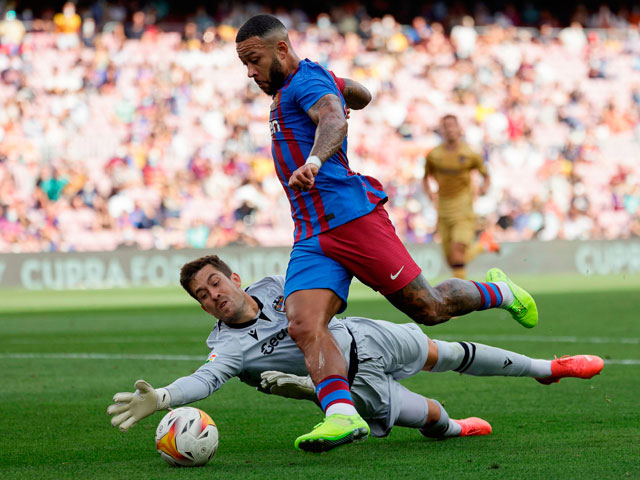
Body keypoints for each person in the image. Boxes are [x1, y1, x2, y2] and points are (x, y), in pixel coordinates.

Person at [234, 14, 538, 452]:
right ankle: (341, 414)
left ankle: (500, 292)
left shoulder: (304, 82)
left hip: (352, 220)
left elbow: (335, 119)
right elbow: (363, 95)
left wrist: (315, 161)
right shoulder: (304, 82)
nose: (249, 72)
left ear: (281, 49)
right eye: (244, 63)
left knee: (431, 310)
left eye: (254, 60)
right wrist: (338, 83)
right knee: (303, 322)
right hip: (312, 233)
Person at [107, 255, 604, 447]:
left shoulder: (275, 283)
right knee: (430, 418)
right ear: (202, 307)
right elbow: (206, 379)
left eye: (215, 283)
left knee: (447, 352)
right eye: (203, 295)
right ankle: (455, 427)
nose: (213, 295)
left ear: (235, 279)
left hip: (366, 336)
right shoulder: (229, 349)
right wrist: (167, 396)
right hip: (349, 384)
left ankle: (548, 368)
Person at [423, 114, 499, 280]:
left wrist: (483, 188)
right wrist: (430, 194)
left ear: (459, 129)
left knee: (458, 255)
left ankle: (461, 295)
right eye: (446, 126)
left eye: (452, 126)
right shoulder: (434, 155)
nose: (450, 129)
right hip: (443, 209)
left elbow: (486, 175)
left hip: (463, 207)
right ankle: (483, 245)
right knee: (451, 260)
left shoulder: (470, 153)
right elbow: (426, 177)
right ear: (441, 131)